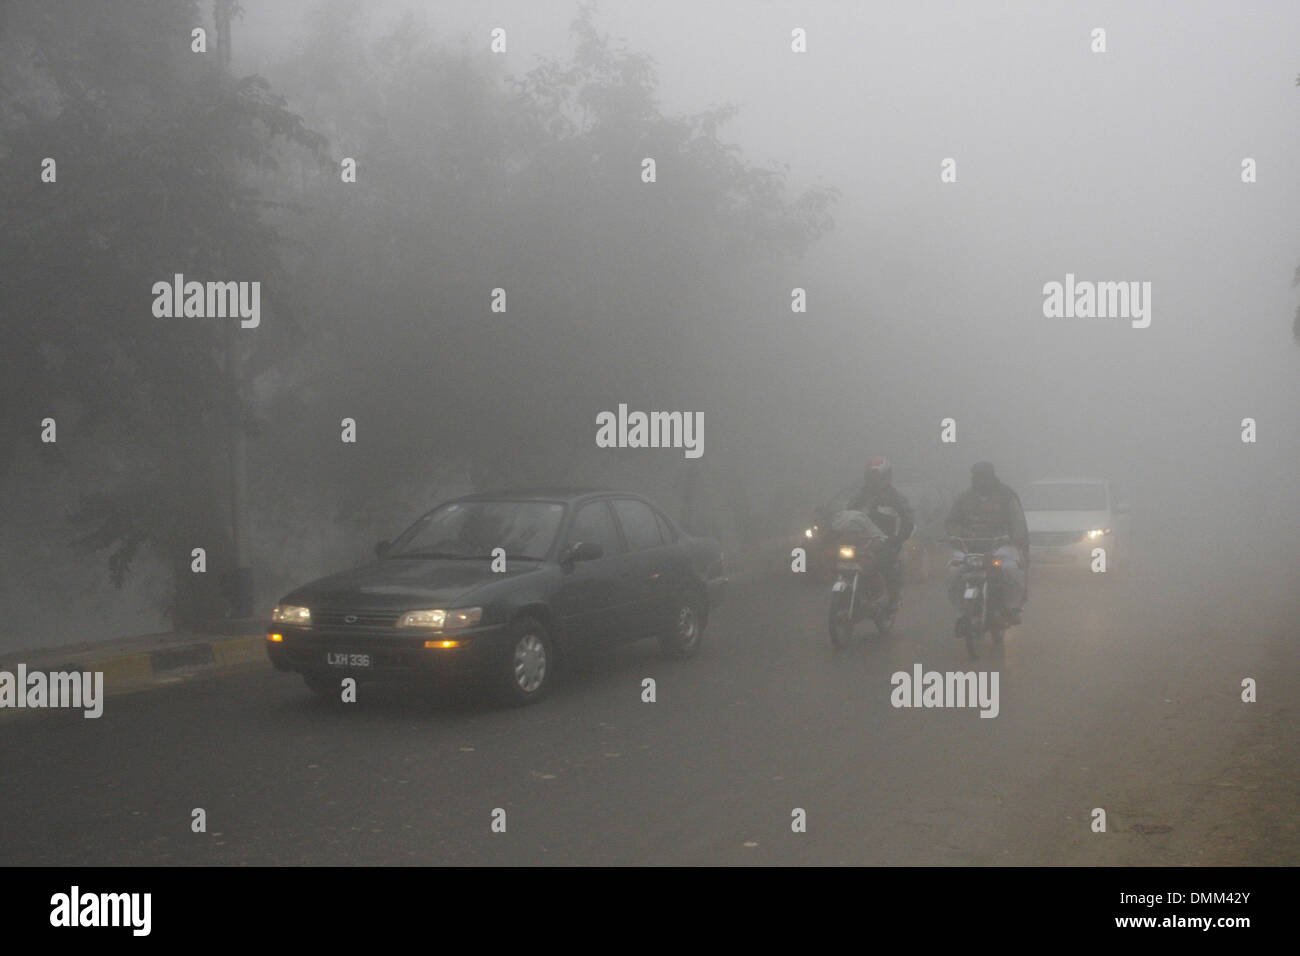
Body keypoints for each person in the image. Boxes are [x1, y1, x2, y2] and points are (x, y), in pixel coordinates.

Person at [944, 461, 1029, 625]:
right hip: (968, 547)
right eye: (978, 476)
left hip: (1001, 546)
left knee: (1011, 570)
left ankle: (1011, 607)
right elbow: (952, 522)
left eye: (985, 476)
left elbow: (1017, 521)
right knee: (954, 573)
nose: (981, 480)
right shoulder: (964, 498)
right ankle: (960, 614)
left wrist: (1014, 538)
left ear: (992, 476)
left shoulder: (1006, 496)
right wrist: (955, 536)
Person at [847, 457, 914, 618]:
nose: (874, 481)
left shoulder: (895, 497)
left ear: (886, 477)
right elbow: (848, 512)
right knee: (844, 559)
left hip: (886, 541)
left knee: (886, 565)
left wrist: (898, 538)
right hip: (862, 540)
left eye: (877, 477)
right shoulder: (861, 495)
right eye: (871, 477)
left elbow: (908, 518)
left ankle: (892, 599)